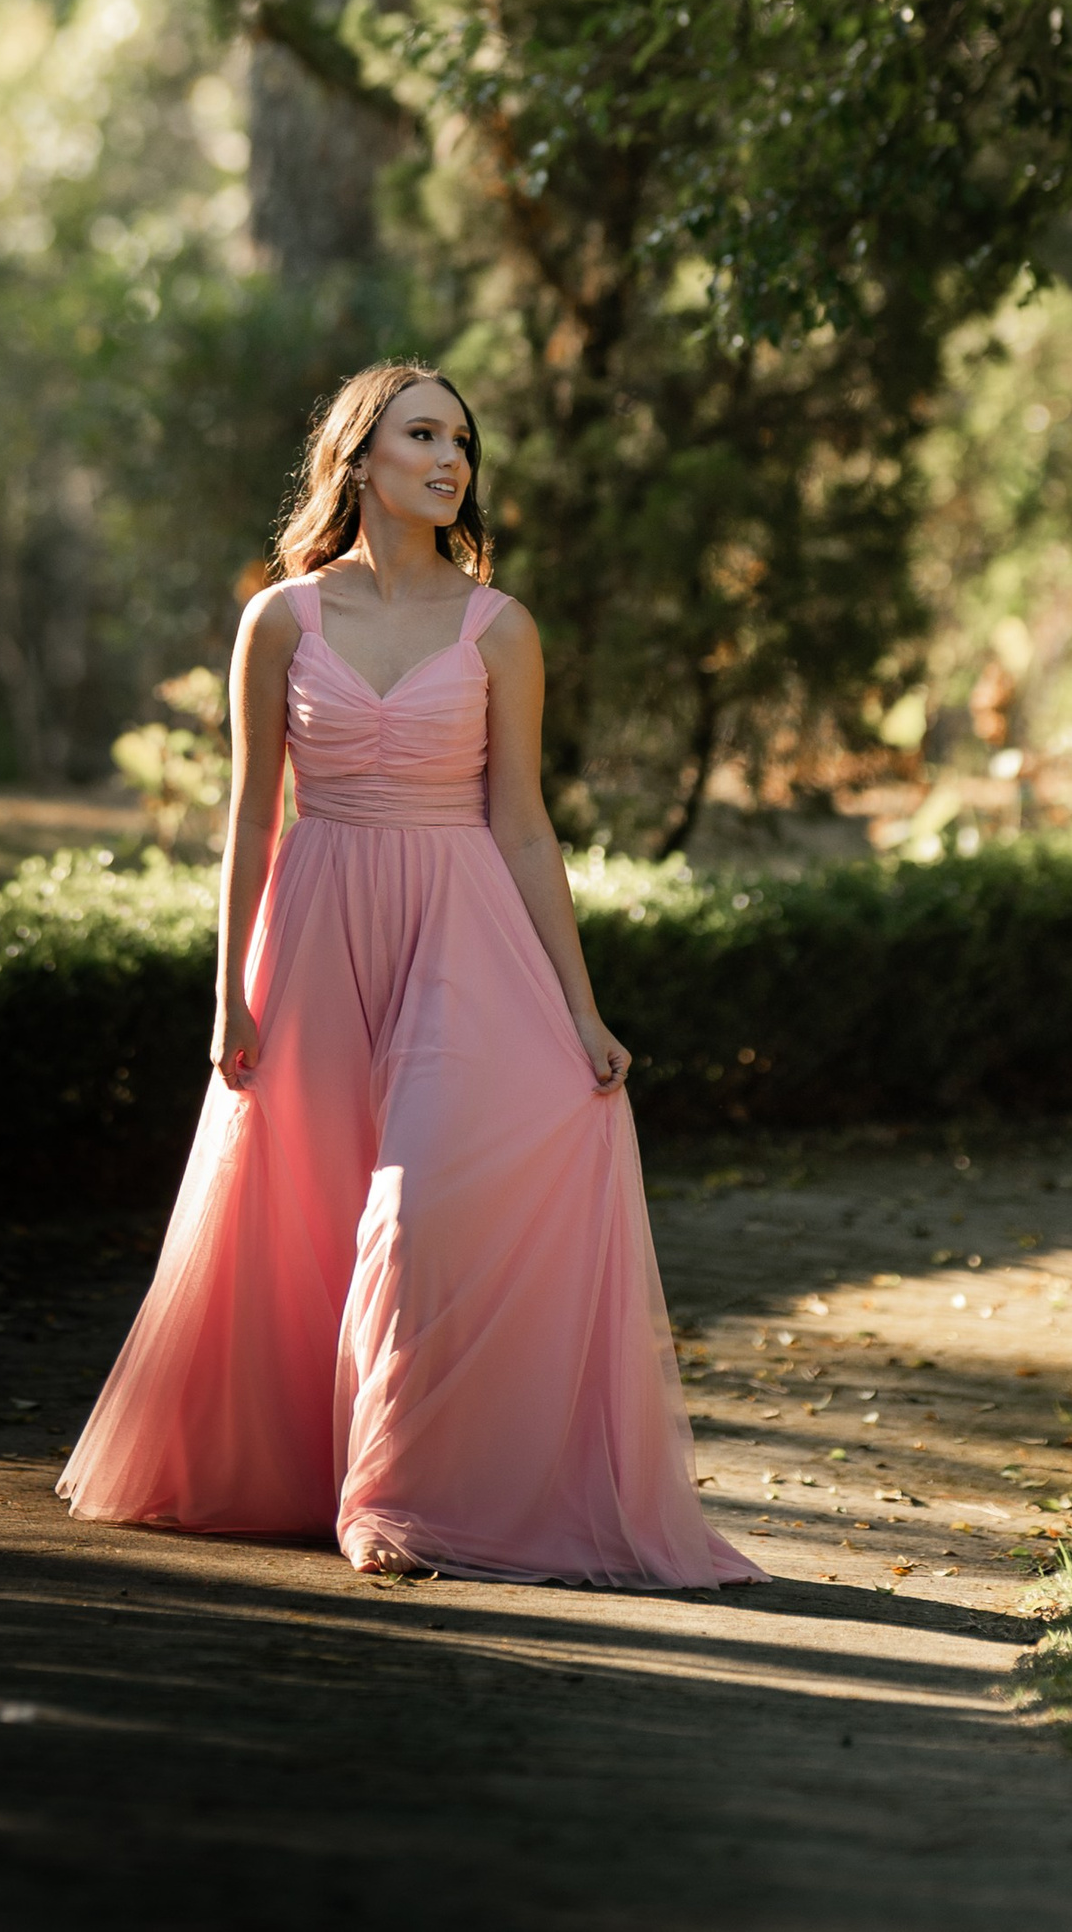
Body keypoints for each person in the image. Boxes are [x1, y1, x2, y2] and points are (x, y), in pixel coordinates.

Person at [59, 361, 755, 1588]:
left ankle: (391, 1498)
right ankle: (303, 1473)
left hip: (461, 931)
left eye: (463, 444)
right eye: (423, 435)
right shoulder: (280, 620)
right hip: (318, 924)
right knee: (309, 1203)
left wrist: (581, 1010)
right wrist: (229, 991)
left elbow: (525, 825)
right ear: (357, 457)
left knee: (414, 1211)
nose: (450, 461)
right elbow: (249, 822)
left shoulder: (502, 627)